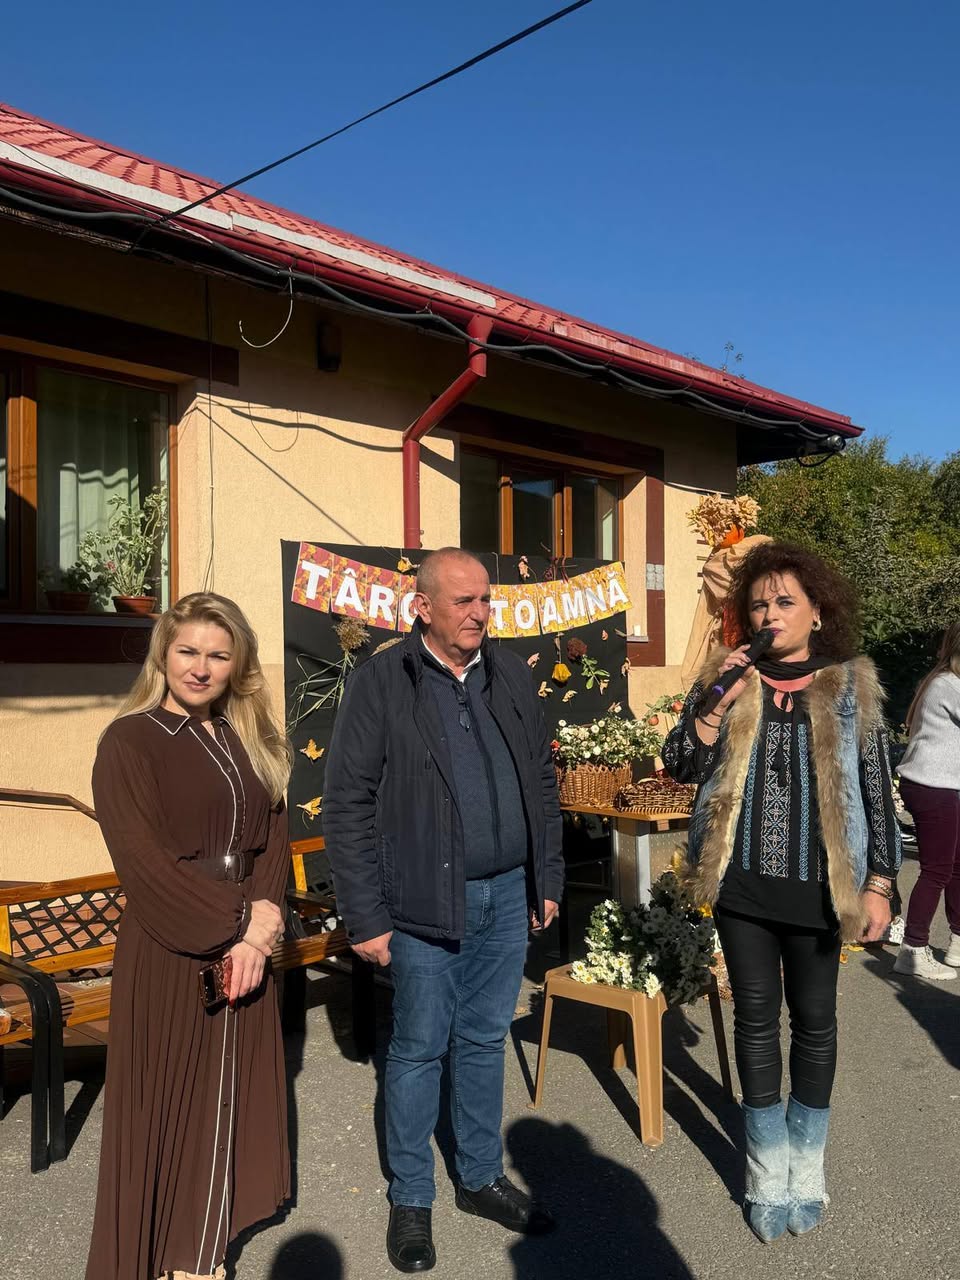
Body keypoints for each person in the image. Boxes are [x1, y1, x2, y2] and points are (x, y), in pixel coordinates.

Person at [323, 548, 564, 1273]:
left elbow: (541, 780)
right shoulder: (382, 683)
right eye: (463, 601)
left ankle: (480, 1177)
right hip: (423, 900)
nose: (479, 614)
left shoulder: (509, 674)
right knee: (419, 1047)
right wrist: (365, 916)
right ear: (422, 607)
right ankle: (412, 1195)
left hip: (507, 892)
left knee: (485, 1039)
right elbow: (347, 803)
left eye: (485, 600)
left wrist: (547, 876)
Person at [663, 542, 901, 1243]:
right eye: (760, 603)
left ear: (817, 612)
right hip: (742, 888)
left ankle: (808, 1166)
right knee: (756, 1022)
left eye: (785, 602)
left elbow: (876, 792)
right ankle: (767, 1173)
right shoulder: (729, 676)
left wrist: (880, 883)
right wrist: (714, 703)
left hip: (822, 891)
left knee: (817, 1023)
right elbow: (679, 764)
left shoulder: (851, 686)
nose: (770, 614)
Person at [85, 593, 293, 1280]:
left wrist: (259, 931)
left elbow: (272, 836)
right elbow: (143, 864)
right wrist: (238, 923)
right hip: (170, 946)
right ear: (163, 655)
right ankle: (173, 1257)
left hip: (245, 939)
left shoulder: (244, 737)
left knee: (226, 1096)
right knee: (170, 1104)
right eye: (188, 651)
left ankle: (204, 1250)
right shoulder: (130, 741)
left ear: (238, 665)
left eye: (218, 655)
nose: (200, 668)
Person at [893, 621, 960, 980]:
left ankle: (958, 942)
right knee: (937, 870)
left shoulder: (946, 681)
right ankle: (913, 950)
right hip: (933, 787)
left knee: (955, 866)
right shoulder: (948, 685)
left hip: (944, 786)